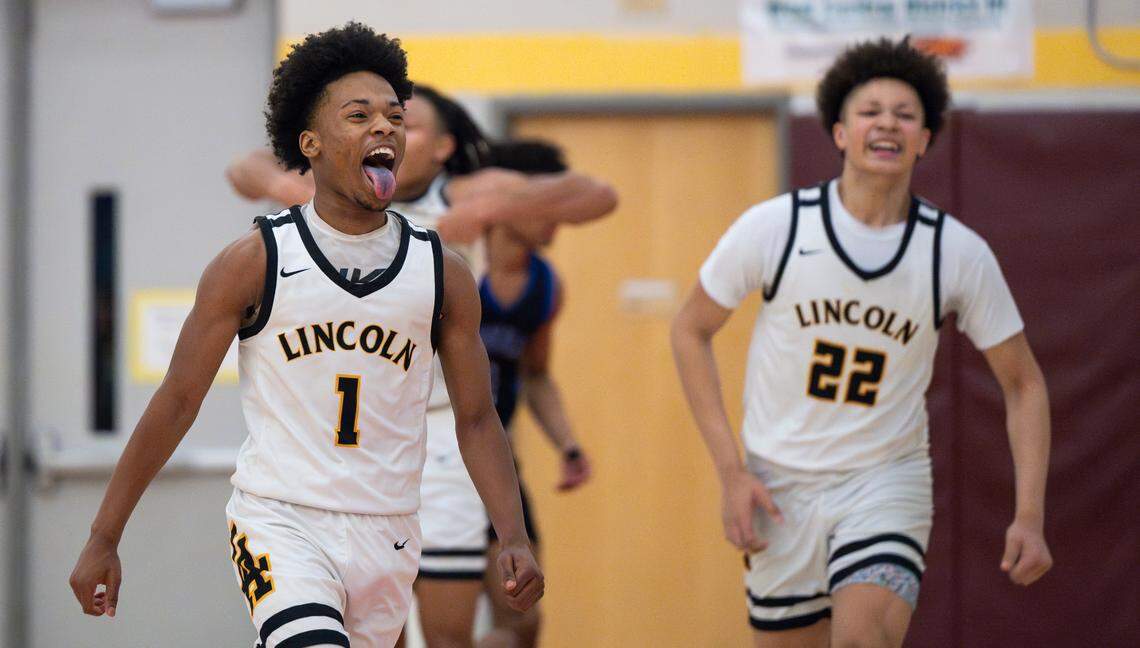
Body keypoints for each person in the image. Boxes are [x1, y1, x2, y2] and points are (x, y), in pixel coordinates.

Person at [68, 23, 542, 648]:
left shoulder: (441, 271)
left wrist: (512, 534)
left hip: (390, 529)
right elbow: (178, 399)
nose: (385, 128)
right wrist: (104, 535)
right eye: (360, 115)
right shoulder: (254, 260)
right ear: (311, 142)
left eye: (395, 117)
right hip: (281, 520)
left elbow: (477, 419)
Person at [670, 37, 1052, 648]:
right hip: (780, 482)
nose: (887, 123)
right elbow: (689, 331)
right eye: (870, 110)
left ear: (924, 140)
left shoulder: (955, 251)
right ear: (841, 133)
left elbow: (1024, 382)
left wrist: (1029, 514)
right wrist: (730, 472)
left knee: (861, 639)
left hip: (885, 480)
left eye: (905, 114)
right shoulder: (777, 227)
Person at [477, 140, 593, 648]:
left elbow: (537, 374)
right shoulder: (457, 260)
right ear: (510, 199)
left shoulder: (546, 285)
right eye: (550, 205)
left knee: (524, 621)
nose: (559, 221)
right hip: (426, 459)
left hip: (493, 458)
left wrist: (567, 443)